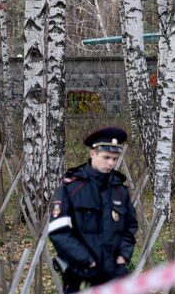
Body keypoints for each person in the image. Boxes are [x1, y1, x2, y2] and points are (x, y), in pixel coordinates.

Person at [48, 126, 138, 293]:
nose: (111, 163)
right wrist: (87, 261)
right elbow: (58, 231)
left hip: (114, 273)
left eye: (114, 158)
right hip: (81, 273)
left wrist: (122, 256)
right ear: (92, 154)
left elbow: (130, 227)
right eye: (106, 157)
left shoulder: (120, 190)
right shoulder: (71, 188)